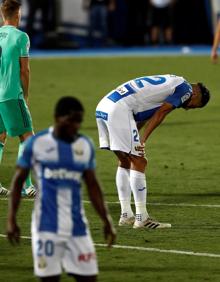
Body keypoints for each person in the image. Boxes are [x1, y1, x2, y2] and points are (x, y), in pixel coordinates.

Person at [7, 96, 116, 282]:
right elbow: (18, 182)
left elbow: (93, 185)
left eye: (79, 121)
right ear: (58, 117)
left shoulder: (84, 145)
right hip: (45, 227)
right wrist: (11, 219)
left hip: (78, 227)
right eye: (72, 120)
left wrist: (106, 219)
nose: (76, 126)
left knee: (89, 277)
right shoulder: (37, 144)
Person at [96, 74, 210, 229]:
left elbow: (145, 110)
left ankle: (126, 215)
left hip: (105, 106)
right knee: (140, 161)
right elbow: (160, 114)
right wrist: (142, 140)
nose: (189, 108)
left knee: (125, 160)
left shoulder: (173, 83)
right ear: (196, 94)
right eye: (195, 105)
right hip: (119, 110)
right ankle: (141, 218)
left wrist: (136, 136)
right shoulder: (187, 90)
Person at [0, 0, 36, 196]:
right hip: (11, 94)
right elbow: (25, 70)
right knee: (28, 138)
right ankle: (26, 185)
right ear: (17, 14)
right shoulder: (21, 37)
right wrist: (26, 95)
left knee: (0, 137)